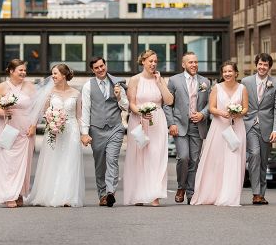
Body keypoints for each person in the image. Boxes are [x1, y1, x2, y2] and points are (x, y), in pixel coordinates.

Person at [26, 64, 85, 207]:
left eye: (55, 73)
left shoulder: (76, 93)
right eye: (52, 74)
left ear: (64, 75)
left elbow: (79, 116)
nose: (53, 76)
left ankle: (67, 197)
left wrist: (83, 133)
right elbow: (45, 113)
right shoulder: (49, 93)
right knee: (53, 161)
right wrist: (52, 122)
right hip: (53, 131)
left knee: (70, 162)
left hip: (71, 130)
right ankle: (49, 194)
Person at [191, 61, 248, 207]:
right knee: (217, 160)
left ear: (236, 73)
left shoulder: (242, 88)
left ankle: (230, 195)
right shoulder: (216, 88)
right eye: (225, 72)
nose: (227, 74)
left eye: (230, 71)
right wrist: (223, 113)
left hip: (237, 127)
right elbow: (211, 108)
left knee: (234, 159)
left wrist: (237, 113)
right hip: (219, 128)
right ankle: (213, 193)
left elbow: (246, 108)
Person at [124, 50, 174, 206]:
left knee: (156, 157)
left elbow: (169, 101)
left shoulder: (160, 79)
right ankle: (138, 195)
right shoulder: (134, 80)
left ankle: (155, 195)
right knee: (139, 157)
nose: (153, 64)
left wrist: (160, 83)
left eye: (155, 61)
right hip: (139, 121)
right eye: (150, 61)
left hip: (157, 121)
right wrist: (141, 112)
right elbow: (131, 103)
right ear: (143, 62)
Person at [80, 57, 128, 207]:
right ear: (92, 70)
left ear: (106, 65)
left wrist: (119, 96)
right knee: (100, 164)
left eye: (102, 66)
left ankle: (110, 192)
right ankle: (102, 194)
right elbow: (86, 110)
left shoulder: (117, 83)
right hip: (96, 130)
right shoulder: (88, 86)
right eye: (97, 68)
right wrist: (84, 132)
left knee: (112, 160)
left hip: (115, 128)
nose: (100, 69)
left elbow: (126, 106)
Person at [163, 51, 211, 204]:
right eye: (190, 62)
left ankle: (191, 192)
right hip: (180, 125)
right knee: (184, 157)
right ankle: (181, 187)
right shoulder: (174, 80)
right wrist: (171, 123)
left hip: (198, 125)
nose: (194, 65)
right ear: (183, 64)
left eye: (196, 62)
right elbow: (167, 104)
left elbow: (211, 103)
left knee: (195, 160)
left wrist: (203, 114)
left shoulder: (205, 82)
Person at [0, 59, 37, 208]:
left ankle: (19, 193)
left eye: (25, 70)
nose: (23, 73)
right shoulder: (1, 87)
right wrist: (4, 112)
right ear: (11, 71)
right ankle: (9, 194)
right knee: (8, 163)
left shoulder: (30, 87)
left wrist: (34, 126)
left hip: (26, 129)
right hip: (8, 127)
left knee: (24, 163)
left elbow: (36, 109)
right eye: (20, 70)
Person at [241, 53, 276, 205]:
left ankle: (261, 193)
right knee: (255, 155)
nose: (262, 67)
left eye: (265, 65)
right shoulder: (246, 82)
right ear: (256, 64)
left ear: (269, 67)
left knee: (263, 162)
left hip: (267, 127)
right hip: (249, 124)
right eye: (260, 64)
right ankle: (256, 193)